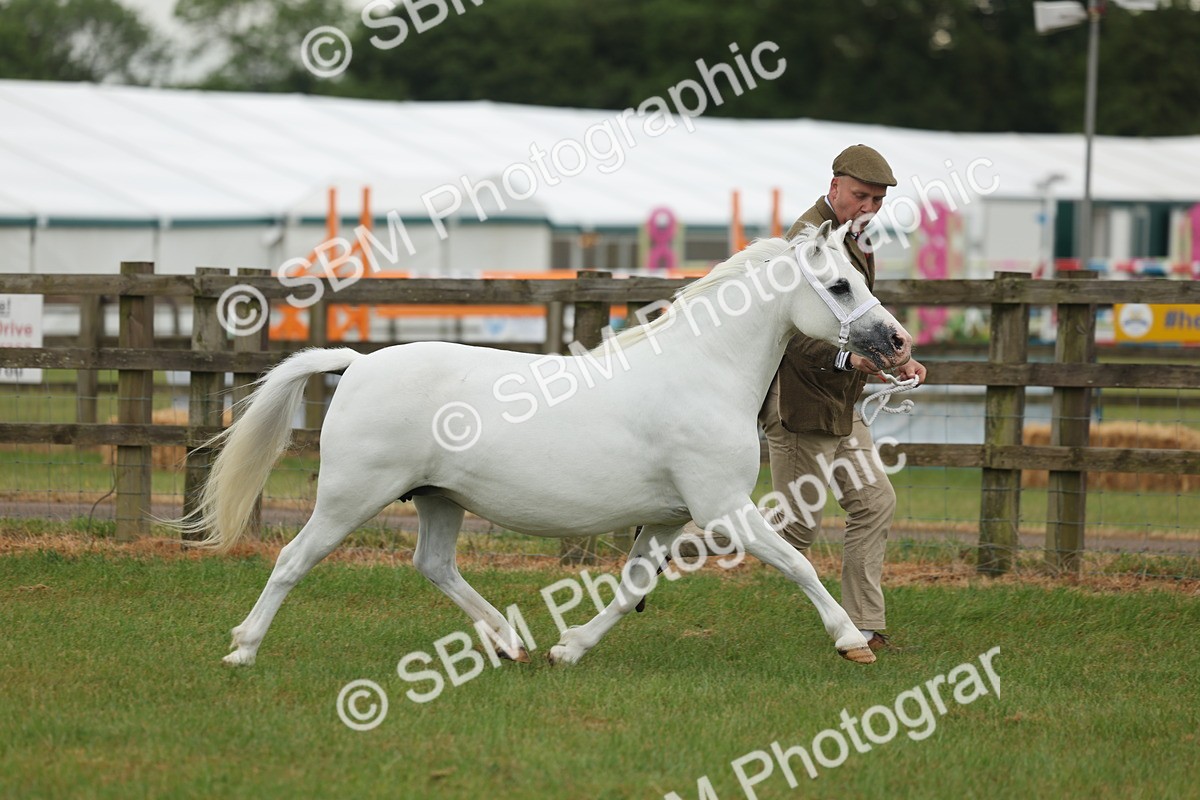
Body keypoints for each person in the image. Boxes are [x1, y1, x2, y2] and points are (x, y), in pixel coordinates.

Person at [758, 144, 927, 652]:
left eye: (876, 200)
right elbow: (793, 332)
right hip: (800, 406)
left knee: (874, 503)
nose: (868, 208)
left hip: (842, 406)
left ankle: (865, 628)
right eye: (860, 196)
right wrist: (848, 362)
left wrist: (897, 358)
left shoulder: (855, 239)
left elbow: (857, 315)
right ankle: (683, 527)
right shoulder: (805, 242)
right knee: (795, 533)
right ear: (834, 186)